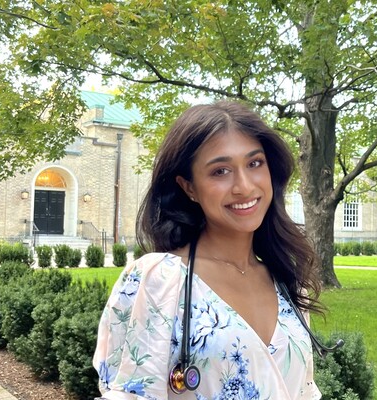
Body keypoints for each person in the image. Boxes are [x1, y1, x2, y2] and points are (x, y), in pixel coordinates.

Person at [93, 100, 326, 400]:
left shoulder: (289, 283)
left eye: (255, 163)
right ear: (189, 187)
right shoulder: (159, 280)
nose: (243, 186)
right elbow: (131, 394)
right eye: (220, 171)